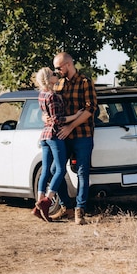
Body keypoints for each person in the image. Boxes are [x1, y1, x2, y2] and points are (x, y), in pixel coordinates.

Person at [51, 52, 98, 225]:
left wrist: (70, 126)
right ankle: (66, 207)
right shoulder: (59, 84)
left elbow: (90, 109)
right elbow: (51, 106)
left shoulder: (85, 82)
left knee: (82, 173)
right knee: (55, 169)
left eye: (58, 67)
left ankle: (80, 210)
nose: (57, 71)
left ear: (68, 65)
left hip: (83, 134)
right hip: (63, 137)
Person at [32, 67, 82, 222]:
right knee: (60, 169)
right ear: (49, 78)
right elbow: (57, 120)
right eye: (53, 74)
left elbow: (46, 116)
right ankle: (47, 201)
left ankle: (38, 204)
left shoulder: (42, 95)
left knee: (46, 169)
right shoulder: (53, 96)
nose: (56, 75)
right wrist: (76, 116)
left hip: (45, 135)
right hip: (55, 135)